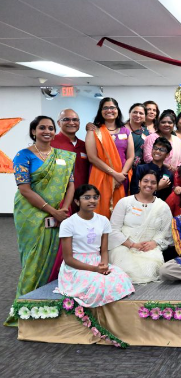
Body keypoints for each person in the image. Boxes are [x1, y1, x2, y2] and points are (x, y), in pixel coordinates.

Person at [6, 116, 75, 327]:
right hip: (30, 213)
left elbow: (71, 184)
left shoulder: (63, 156)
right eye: (42, 128)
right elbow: (24, 189)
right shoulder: (23, 155)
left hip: (57, 212)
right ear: (33, 131)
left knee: (54, 256)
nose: (47, 131)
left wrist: (63, 209)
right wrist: (52, 211)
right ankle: (24, 309)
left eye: (51, 128)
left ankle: (47, 304)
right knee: (33, 258)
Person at [57, 184, 134, 307]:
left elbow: (103, 251)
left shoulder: (103, 220)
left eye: (95, 197)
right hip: (76, 265)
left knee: (122, 278)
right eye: (87, 197)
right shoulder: (68, 224)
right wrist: (95, 270)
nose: (92, 201)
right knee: (98, 285)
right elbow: (68, 259)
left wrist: (103, 266)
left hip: (97, 261)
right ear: (77, 201)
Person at [109, 169, 173, 284]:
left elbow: (167, 232)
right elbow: (113, 230)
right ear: (139, 183)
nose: (149, 185)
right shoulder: (125, 202)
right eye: (145, 181)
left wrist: (154, 243)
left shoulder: (162, 207)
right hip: (124, 246)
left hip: (149, 249)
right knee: (125, 268)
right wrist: (132, 244)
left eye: (153, 182)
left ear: (157, 185)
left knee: (150, 269)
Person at [85, 97, 134, 218]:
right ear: (100, 111)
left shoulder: (126, 131)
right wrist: (114, 174)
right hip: (101, 175)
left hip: (122, 178)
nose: (109, 110)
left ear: (117, 110)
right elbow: (92, 157)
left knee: (120, 213)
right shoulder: (94, 131)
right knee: (100, 211)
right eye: (105, 108)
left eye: (112, 107)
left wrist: (121, 175)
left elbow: (131, 156)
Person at [52, 109, 90, 208]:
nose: (71, 122)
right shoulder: (50, 143)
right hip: (58, 197)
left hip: (81, 197)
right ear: (58, 123)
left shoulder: (85, 145)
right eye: (66, 119)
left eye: (75, 120)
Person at [124, 103, 149, 168]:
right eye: (135, 112)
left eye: (141, 113)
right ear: (129, 114)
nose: (138, 115)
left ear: (145, 116)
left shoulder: (147, 132)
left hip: (139, 169)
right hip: (121, 167)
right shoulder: (120, 129)